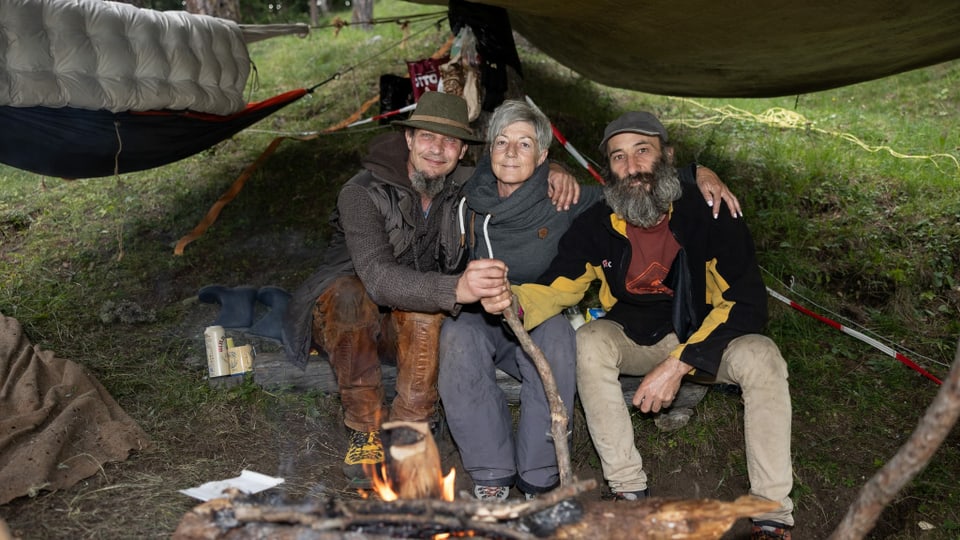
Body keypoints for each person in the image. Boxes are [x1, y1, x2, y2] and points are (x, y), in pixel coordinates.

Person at [480, 110, 794, 539]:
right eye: (618, 157)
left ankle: (772, 516)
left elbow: (746, 303)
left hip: (703, 337)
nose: (631, 167)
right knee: (589, 340)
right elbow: (559, 286)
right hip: (635, 337)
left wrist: (680, 363)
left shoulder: (710, 213)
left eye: (642, 151)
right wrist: (512, 302)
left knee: (763, 356)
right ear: (608, 169)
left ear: (666, 155)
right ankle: (629, 492)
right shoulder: (598, 223)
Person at [440, 101, 742, 502]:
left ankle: (539, 473)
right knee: (457, 337)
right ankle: (490, 470)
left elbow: (636, 185)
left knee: (560, 341)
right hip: (483, 312)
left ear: (544, 156)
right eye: (502, 142)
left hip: (540, 306)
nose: (511, 152)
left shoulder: (568, 198)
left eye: (525, 144)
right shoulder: (465, 199)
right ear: (488, 150)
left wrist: (697, 173)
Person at [280, 92, 580, 487]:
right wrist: (457, 286)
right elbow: (379, 279)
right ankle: (364, 429)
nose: (438, 150)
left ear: (461, 152)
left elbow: (514, 161)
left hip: (408, 325)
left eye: (450, 142)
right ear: (408, 139)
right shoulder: (361, 193)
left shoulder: (462, 182)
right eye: (427, 137)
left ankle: (411, 430)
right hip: (345, 322)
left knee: (427, 308)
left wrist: (555, 168)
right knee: (351, 296)